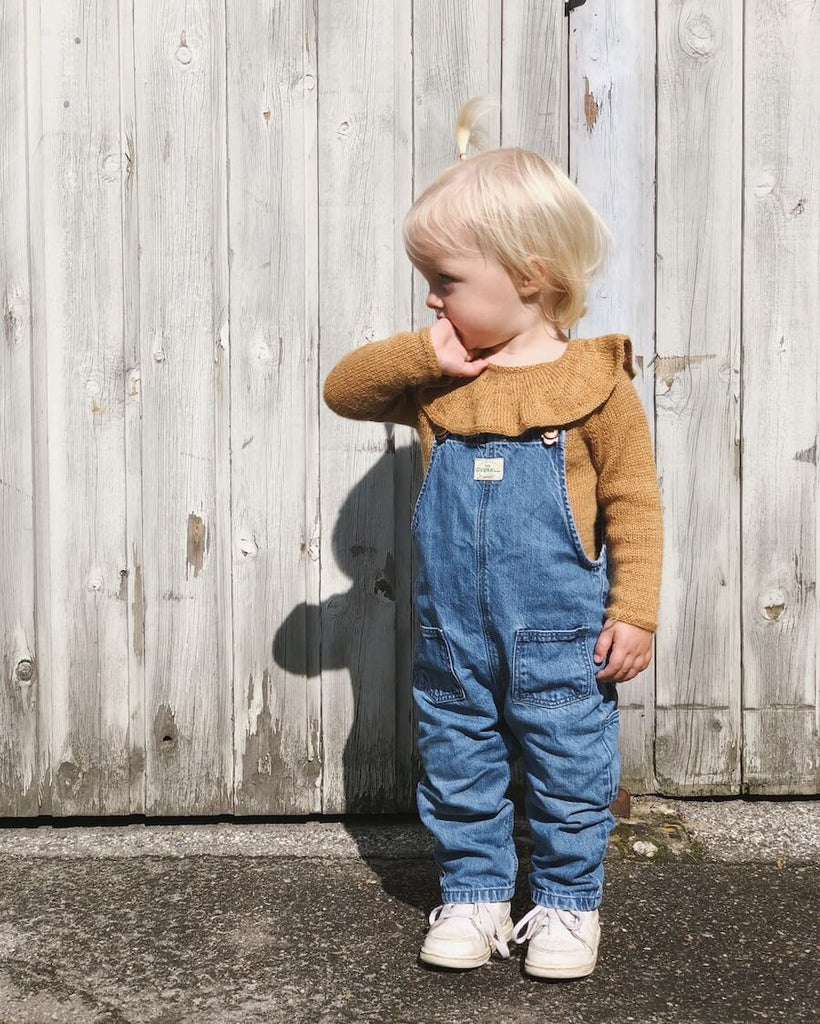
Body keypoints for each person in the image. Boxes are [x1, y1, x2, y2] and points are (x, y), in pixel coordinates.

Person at [322, 95, 663, 980]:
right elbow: (342, 389)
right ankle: (474, 893)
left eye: (445, 280)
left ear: (528, 274)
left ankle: (565, 904)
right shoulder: (441, 379)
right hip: (452, 633)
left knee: (568, 766)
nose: (430, 298)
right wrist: (419, 352)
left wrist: (636, 609)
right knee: (457, 760)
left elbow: (634, 501)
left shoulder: (596, 383)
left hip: (560, 633)